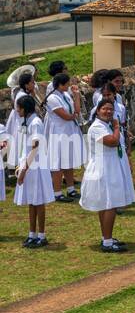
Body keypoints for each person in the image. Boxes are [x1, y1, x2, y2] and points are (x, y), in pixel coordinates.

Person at [80, 96, 135, 252]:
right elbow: (112, 141)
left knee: (106, 203)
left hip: (112, 166)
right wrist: (117, 127)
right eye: (104, 108)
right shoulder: (98, 127)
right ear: (97, 111)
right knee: (110, 203)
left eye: (111, 109)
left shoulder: (107, 125)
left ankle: (107, 237)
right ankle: (108, 242)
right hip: (104, 169)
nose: (108, 111)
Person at [13, 92, 54, 248]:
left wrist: (24, 169)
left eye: (18, 108)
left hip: (34, 166)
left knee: (39, 202)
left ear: (24, 108)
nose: (17, 110)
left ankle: (42, 235)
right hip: (29, 165)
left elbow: (36, 147)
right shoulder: (26, 121)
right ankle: (32, 234)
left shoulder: (35, 122)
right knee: (32, 201)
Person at [44, 68, 83, 202]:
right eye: (66, 84)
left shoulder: (65, 95)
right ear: (60, 85)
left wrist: (77, 96)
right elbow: (65, 116)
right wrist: (74, 116)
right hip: (58, 133)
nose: (69, 86)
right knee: (58, 163)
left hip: (69, 131)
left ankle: (71, 189)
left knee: (68, 161)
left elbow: (76, 110)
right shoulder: (52, 98)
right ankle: (57, 192)